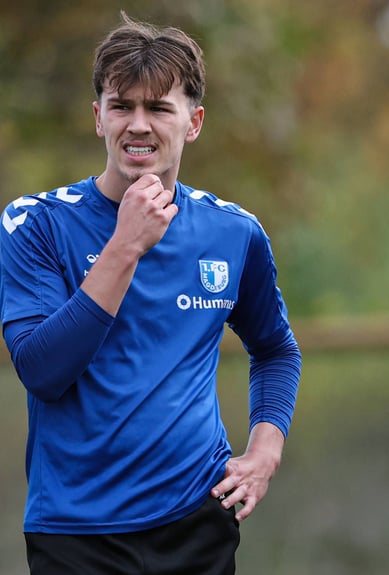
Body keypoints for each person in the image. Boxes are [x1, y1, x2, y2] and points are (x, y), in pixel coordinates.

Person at [0, 13, 301, 575]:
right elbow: (41, 371)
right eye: (122, 106)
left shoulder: (233, 231)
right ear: (98, 117)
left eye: (159, 108)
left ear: (194, 122)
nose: (138, 125)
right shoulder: (36, 223)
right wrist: (125, 245)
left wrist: (265, 451)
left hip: (197, 520)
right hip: (75, 532)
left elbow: (276, 349)